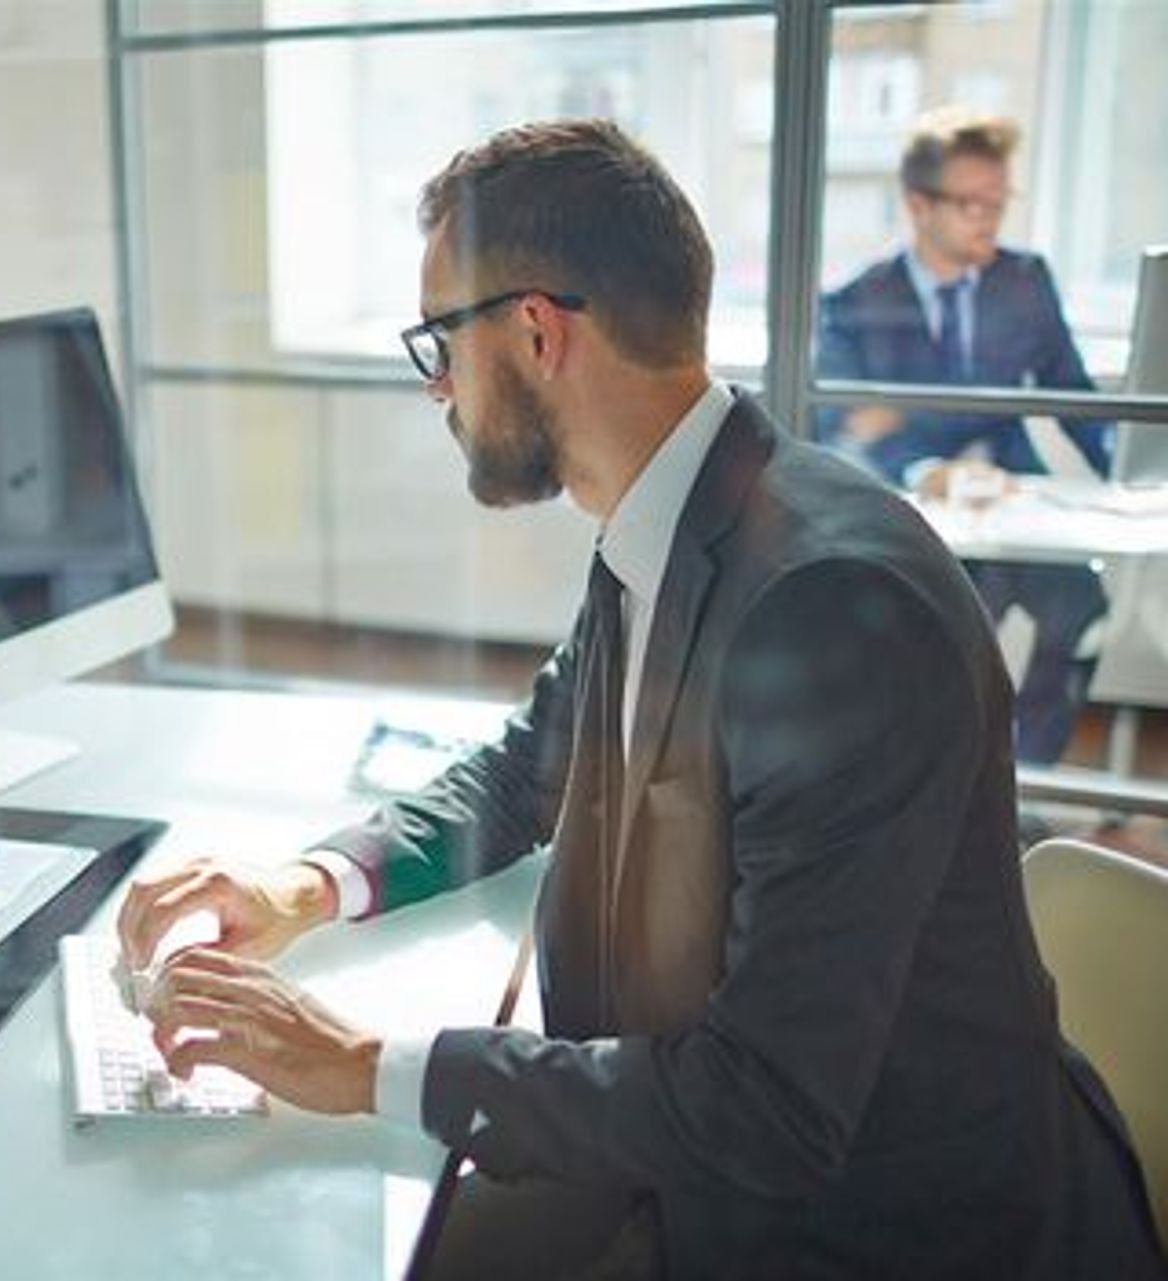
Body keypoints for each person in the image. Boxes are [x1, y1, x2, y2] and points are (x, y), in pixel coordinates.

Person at [118, 120, 1164, 1279]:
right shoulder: (678, 518)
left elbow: (767, 1110)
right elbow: (533, 767)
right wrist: (305, 884)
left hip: (886, 1233)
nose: (438, 390)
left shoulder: (830, 608)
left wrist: (362, 1064)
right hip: (703, 1167)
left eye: (438, 344)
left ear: (533, 331)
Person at [815, 107, 1110, 764]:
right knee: (945, 650)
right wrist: (923, 465)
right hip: (914, 509)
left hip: (1011, 497)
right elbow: (840, 423)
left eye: (998, 202)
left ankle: (1022, 778)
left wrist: (1129, 467)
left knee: (1083, 610)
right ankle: (941, 788)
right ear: (918, 205)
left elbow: (1073, 394)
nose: (989, 218)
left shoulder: (1024, 280)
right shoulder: (856, 301)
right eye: (971, 203)